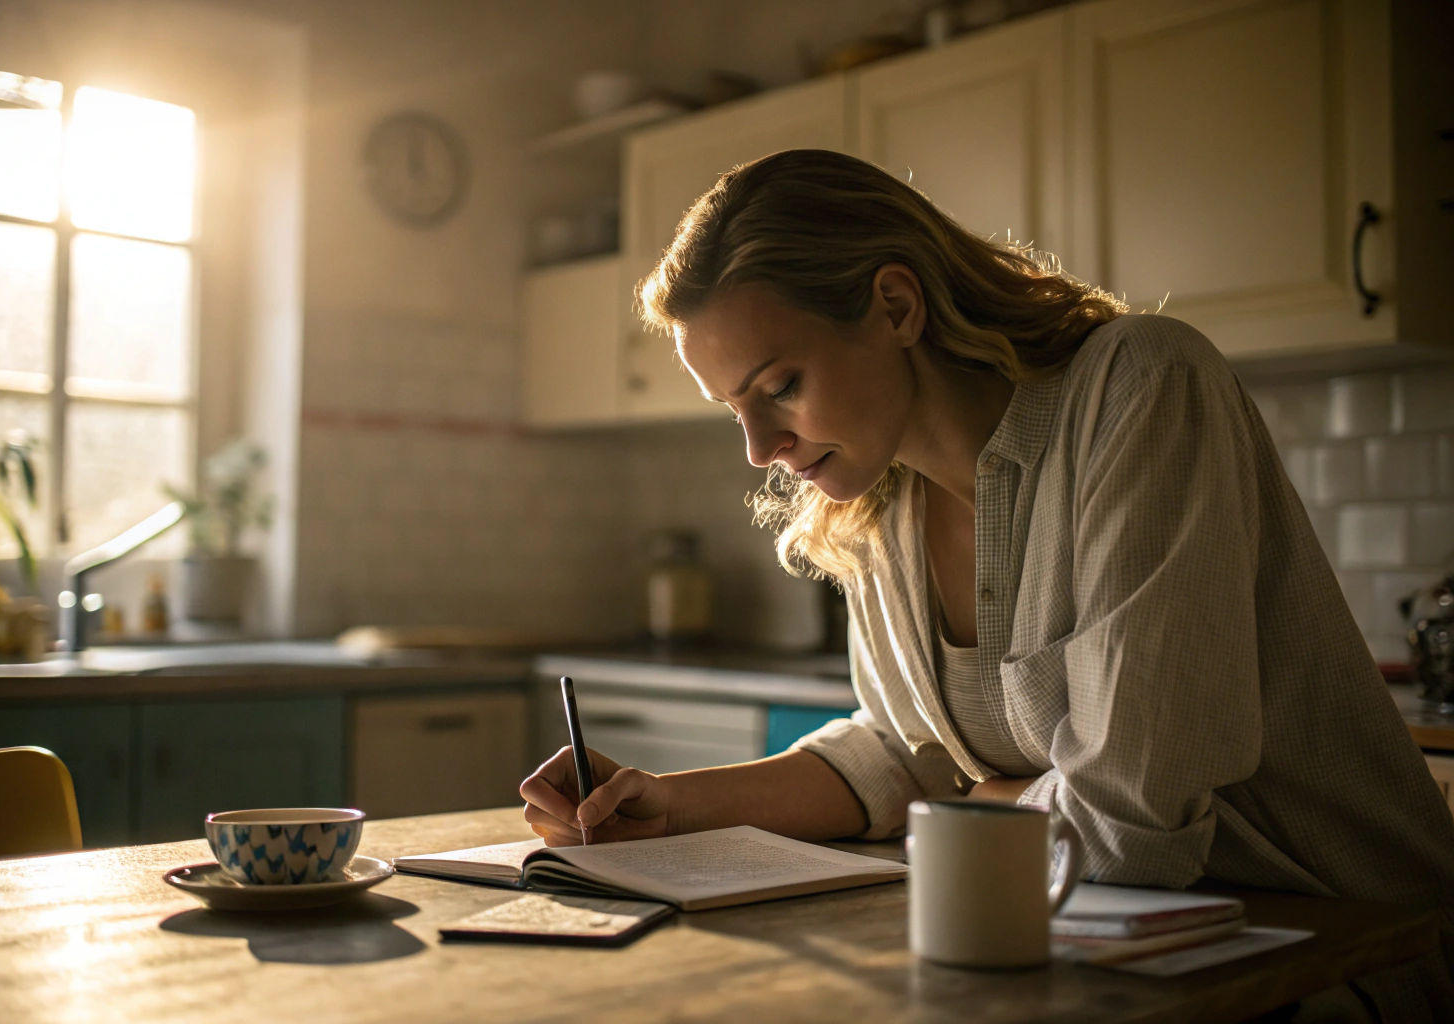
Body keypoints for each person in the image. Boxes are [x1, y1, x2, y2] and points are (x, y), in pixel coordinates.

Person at [519, 149, 1454, 1019]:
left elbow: (1130, 827)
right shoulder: (876, 507)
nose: (761, 449)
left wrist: (979, 803)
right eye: (736, 409)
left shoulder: (1140, 388)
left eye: (782, 385)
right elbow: (905, 753)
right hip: (1115, 964)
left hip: (1348, 962)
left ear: (894, 306)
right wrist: (671, 807)